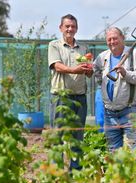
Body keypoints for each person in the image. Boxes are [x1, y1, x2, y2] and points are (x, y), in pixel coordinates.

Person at [48, 14, 93, 170]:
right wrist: (75, 69)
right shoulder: (54, 45)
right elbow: (57, 66)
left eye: (73, 26)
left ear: (77, 29)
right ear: (61, 28)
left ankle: (76, 171)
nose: (70, 29)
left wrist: (88, 70)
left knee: (77, 136)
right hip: (60, 97)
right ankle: (57, 172)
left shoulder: (84, 48)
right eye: (67, 26)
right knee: (58, 135)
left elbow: (89, 73)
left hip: (80, 97)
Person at [93, 27, 136, 152]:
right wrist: (101, 82)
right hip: (109, 112)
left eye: (115, 38)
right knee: (113, 151)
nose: (112, 42)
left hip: (130, 110)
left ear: (123, 38)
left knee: (135, 148)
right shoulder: (103, 56)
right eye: (109, 39)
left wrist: (125, 73)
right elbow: (95, 69)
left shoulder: (134, 54)